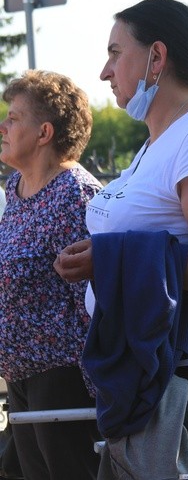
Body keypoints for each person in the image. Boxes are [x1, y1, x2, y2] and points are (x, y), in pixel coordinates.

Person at [53, 0, 188, 478]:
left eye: (114, 52)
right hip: (152, 373)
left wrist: (109, 258)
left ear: (156, 58)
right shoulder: (160, 137)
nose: (105, 72)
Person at [0, 69, 103, 479]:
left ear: (44, 132)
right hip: (21, 375)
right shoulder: (16, 188)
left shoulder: (77, 194)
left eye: (13, 117)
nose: (3, 126)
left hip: (62, 378)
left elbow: (97, 300)